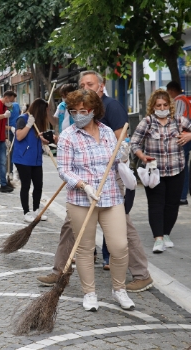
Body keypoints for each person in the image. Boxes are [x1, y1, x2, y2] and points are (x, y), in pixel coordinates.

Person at [37, 71, 153, 293]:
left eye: (89, 83)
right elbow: (71, 147)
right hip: (84, 185)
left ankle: (141, 274)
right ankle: (61, 270)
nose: (85, 87)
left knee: (122, 232)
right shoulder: (77, 113)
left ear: (101, 86)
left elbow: (120, 142)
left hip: (111, 183)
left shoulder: (112, 107)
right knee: (72, 227)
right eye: (82, 84)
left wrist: (123, 154)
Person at [57, 88, 134, 311]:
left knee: (119, 246)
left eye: (83, 110)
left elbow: (117, 160)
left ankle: (119, 289)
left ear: (93, 111)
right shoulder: (68, 136)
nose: (78, 115)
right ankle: (89, 293)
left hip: (111, 196)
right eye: (74, 111)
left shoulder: (108, 132)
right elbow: (63, 169)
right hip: (81, 200)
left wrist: (123, 154)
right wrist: (83, 185)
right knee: (85, 248)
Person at [131, 89, 191, 253]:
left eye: (165, 105)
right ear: (153, 106)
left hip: (176, 170)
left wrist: (188, 136)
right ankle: (157, 238)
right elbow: (135, 143)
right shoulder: (147, 122)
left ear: (169, 106)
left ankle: (166, 234)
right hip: (154, 172)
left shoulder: (179, 121)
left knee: (172, 205)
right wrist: (142, 156)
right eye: (159, 105)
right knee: (156, 205)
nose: (162, 108)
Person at [13, 98, 51, 222]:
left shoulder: (38, 122)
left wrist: (43, 141)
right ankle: (26, 212)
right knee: (26, 185)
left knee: (38, 185)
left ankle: (36, 210)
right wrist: (28, 125)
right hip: (23, 158)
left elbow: (36, 137)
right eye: (45, 110)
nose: (47, 113)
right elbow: (19, 136)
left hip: (36, 158)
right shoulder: (22, 119)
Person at [166, 81, 191, 205]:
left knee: (181, 167)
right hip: (186, 136)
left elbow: (179, 120)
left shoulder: (179, 101)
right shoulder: (184, 100)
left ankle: (181, 196)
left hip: (183, 136)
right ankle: (181, 195)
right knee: (183, 166)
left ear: (171, 91)